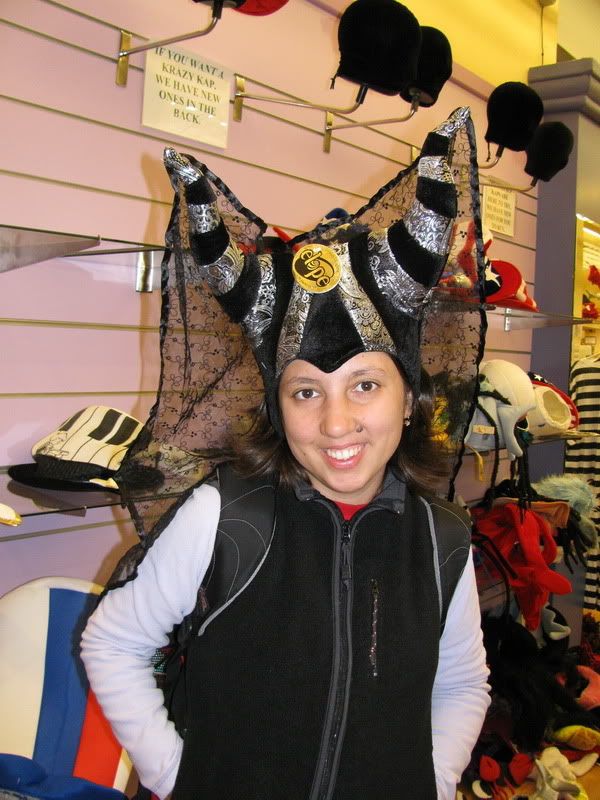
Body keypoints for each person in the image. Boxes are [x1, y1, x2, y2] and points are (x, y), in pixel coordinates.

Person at [81, 106, 490, 800]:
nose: (337, 423)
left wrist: (436, 781)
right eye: (306, 392)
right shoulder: (227, 516)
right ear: (276, 405)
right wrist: (180, 777)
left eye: (365, 385)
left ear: (408, 396)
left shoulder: (441, 537)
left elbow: (461, 681)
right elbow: (113, 642)